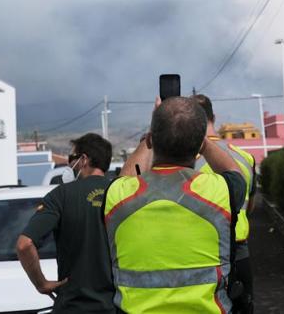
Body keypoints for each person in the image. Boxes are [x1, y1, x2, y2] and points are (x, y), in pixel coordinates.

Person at [105, 96, 246, 313]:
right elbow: (234, 173)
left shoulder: (118, 195)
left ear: (151, 141)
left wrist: (149, 138)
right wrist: (202, 141)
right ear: (199, 145)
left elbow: (124, 178)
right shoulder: (221, 191)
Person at [17, 133, 116, 314]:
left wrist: (42, 284)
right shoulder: (122, 192)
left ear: (84, 159)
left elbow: (24, 244)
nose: (70, 164)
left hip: (72, 306)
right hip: (115, 305)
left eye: (72, 158)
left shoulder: (61, 195)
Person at [194, 94, 257, 314]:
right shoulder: (245, 158)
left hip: (204, 255)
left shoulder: (189, 161)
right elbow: (250, 205)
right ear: (214, 117)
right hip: (240, 252)